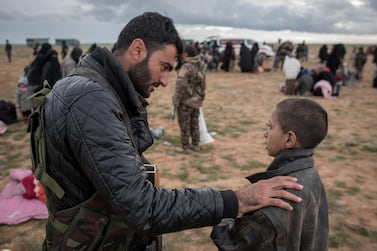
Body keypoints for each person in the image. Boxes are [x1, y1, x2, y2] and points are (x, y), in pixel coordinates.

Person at [35, 12, 302, 250]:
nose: (165, 81)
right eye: (164, 68)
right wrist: (238, 199)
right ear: (137, 50)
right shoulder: (90, 99)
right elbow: (144, 207)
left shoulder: (92, 87)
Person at [211, 98, 329, 251]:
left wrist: (227, 210)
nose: (265, 133)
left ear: (289, 139)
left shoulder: (279, 198)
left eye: (270, 127)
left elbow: (232, 244)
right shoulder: (310, 172)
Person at [173, 44, 205, 154]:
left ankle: (185, 147)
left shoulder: (186, 66)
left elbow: (180, 84)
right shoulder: (200, 64)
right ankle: (195, 145)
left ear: (186, 54)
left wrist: (176, 99)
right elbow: (203, 84)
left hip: (186, 101)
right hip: (197, 100)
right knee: (195, 124)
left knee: (184, 125)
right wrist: (202, 96)